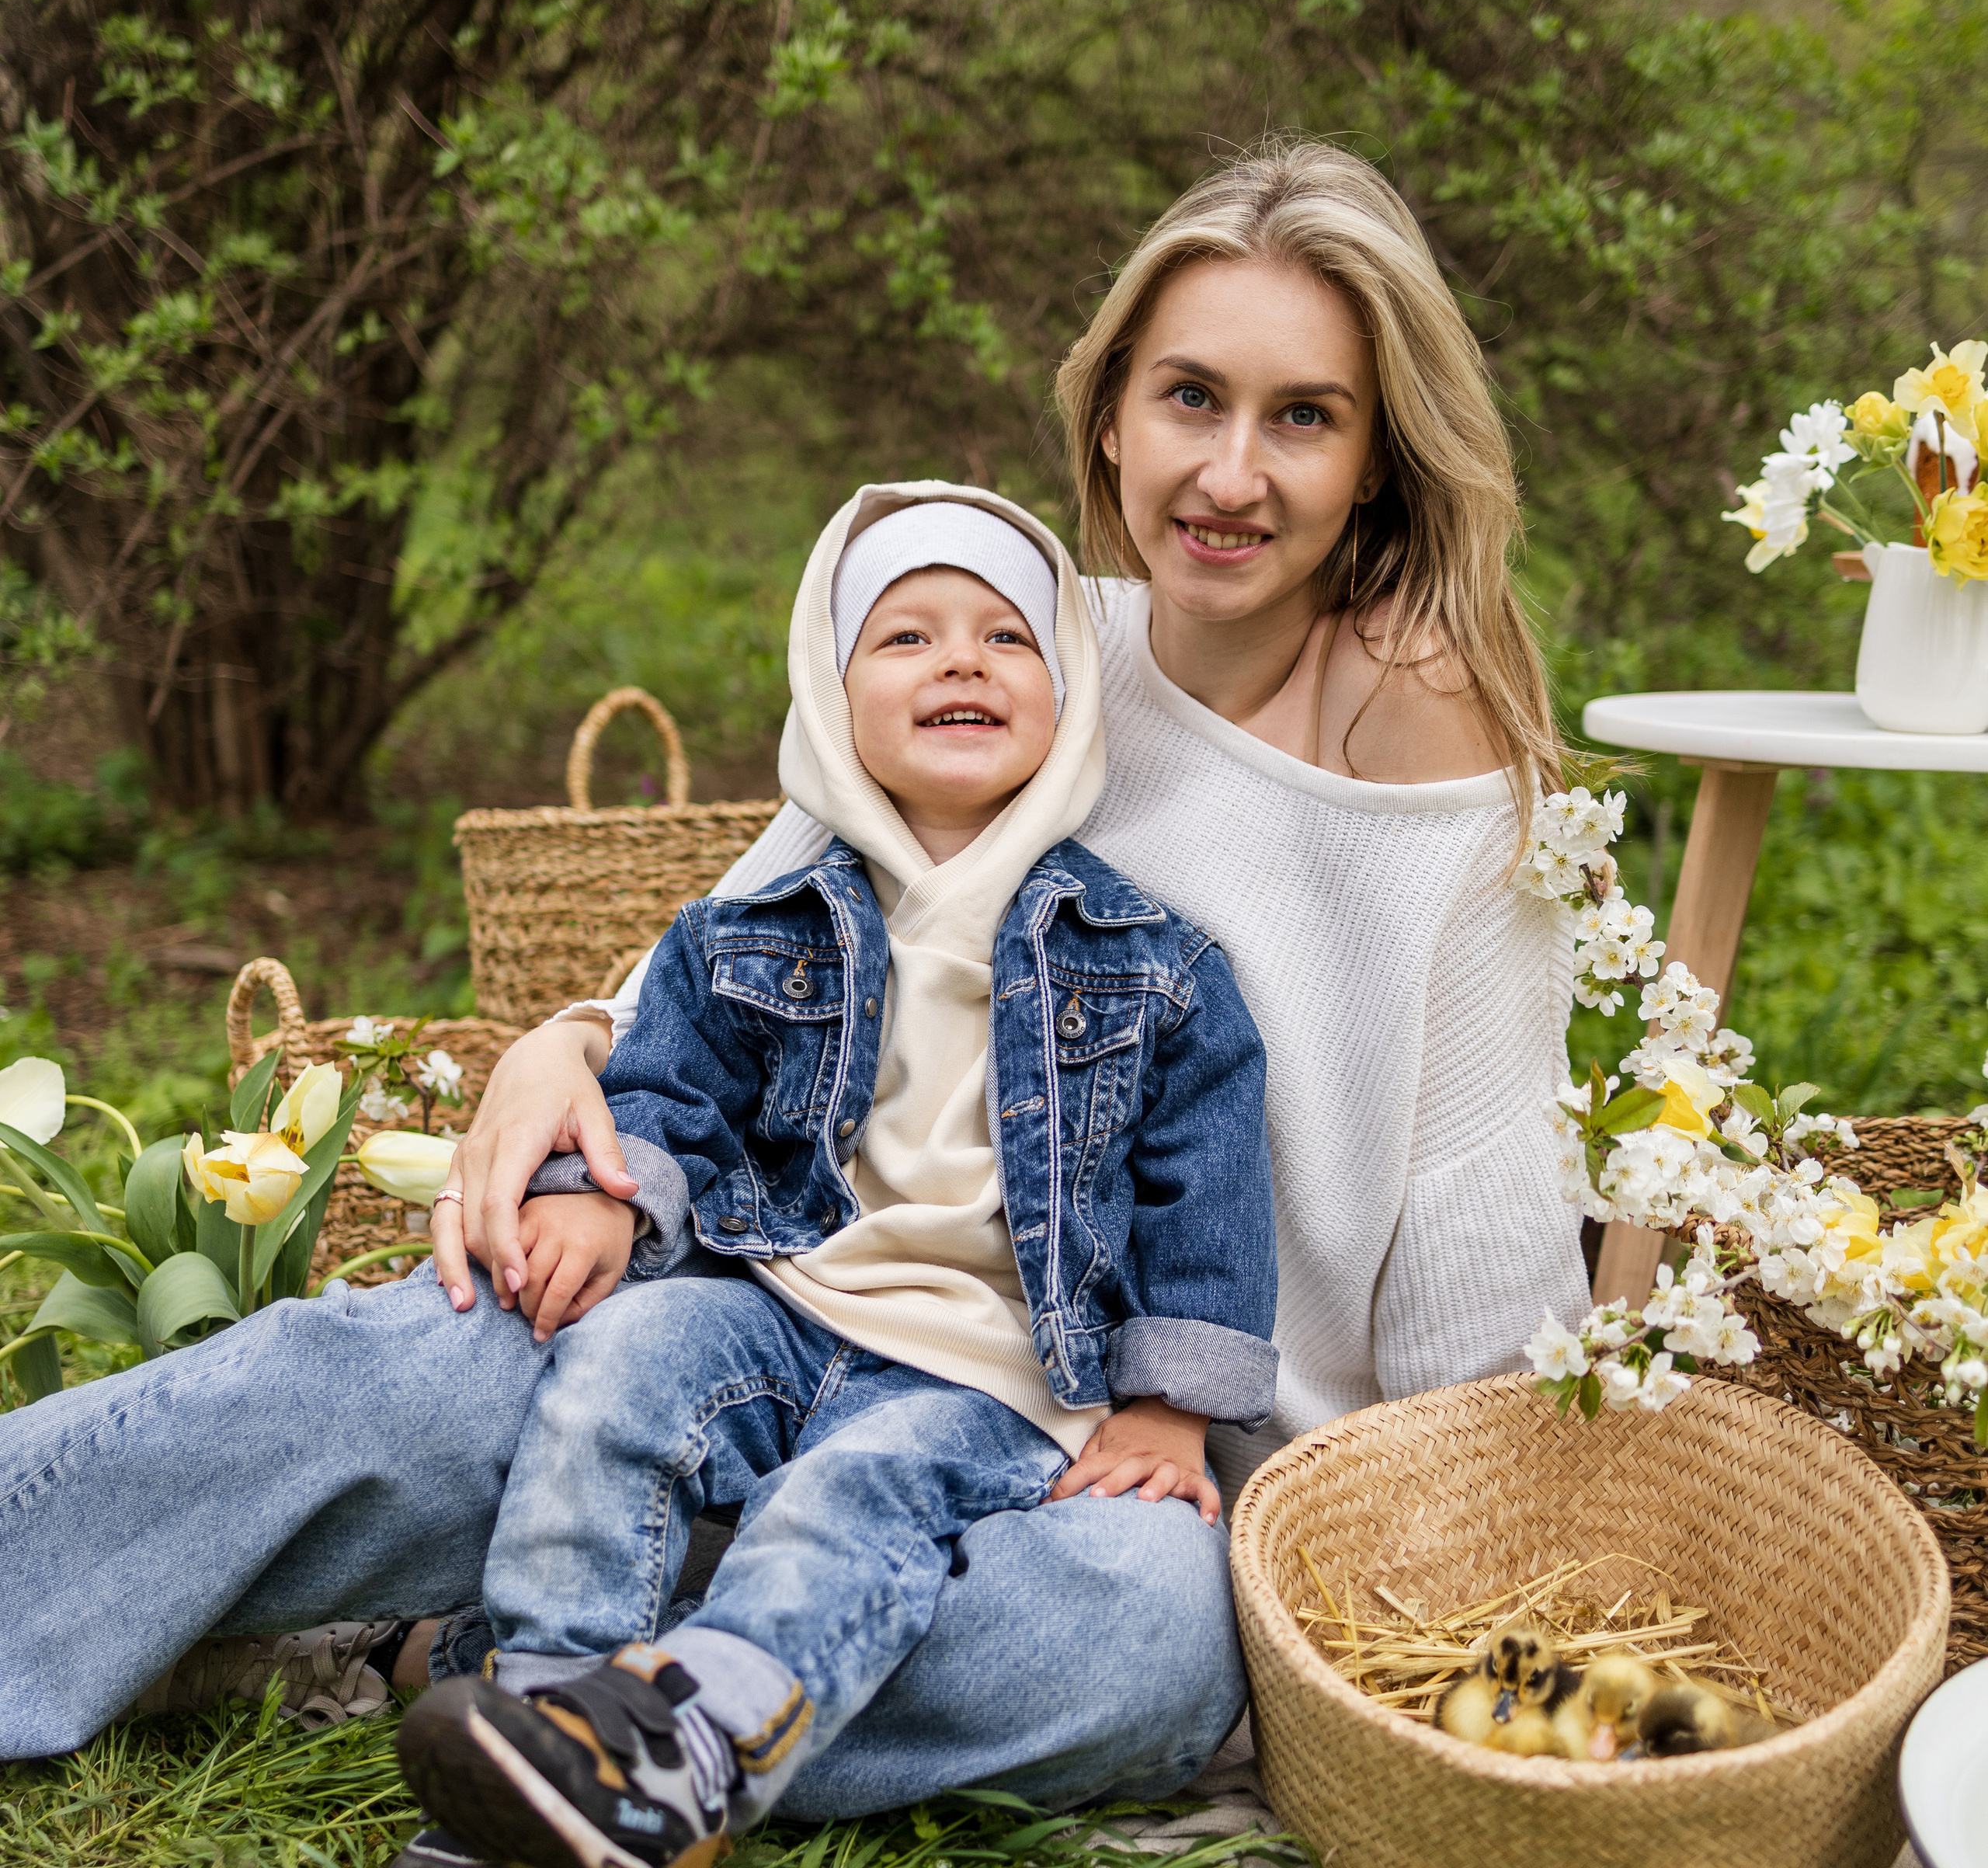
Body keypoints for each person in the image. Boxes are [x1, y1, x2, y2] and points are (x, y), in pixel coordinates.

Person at [0, 141, 1588, 1829]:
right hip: (767, 1320)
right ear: (1112, 410)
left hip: (1098, 1464)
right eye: (1191, 395)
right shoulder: (1015, 635)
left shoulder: (1435, 761)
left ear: (1376, 456)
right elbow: (764, 928)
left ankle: (525, 1673)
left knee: (1138, 1641)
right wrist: (572, 1037)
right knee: (447, 1354)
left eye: (1302, 416)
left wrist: (1440, 1590)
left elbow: (1477, 1268)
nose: (1229, 471)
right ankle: (568, 1674)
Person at [394, 496, 1275, 1868]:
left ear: (1067, 695)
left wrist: (1169, 1406)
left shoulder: (1157, 963)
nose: (962, 659)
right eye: (907, 637)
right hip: (782, 1301)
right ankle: (545, 1739)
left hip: (994, 1368)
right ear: (832, 690)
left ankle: (689, 1749)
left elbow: (1204, 1193)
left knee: (852, 1493)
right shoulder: (750, 930)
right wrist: (599, 1190)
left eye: (1007, 638)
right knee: (615, 1369)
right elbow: (665, 1090)